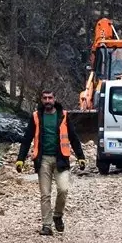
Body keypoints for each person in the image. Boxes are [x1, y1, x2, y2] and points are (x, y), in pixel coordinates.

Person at [16, 90, 86, 235]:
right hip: (43, 160)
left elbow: (73, 137)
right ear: (41, 100)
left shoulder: (63, 116)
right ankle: (46, 225)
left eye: (50, 98)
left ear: (55, 99)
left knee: (63, 189)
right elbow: (27, 138)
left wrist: (81, 156)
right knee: (45, 194)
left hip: (61, 159)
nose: (47, 100)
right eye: (45, 98)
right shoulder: (36, 117)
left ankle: (57, 216)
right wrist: (20, 159)